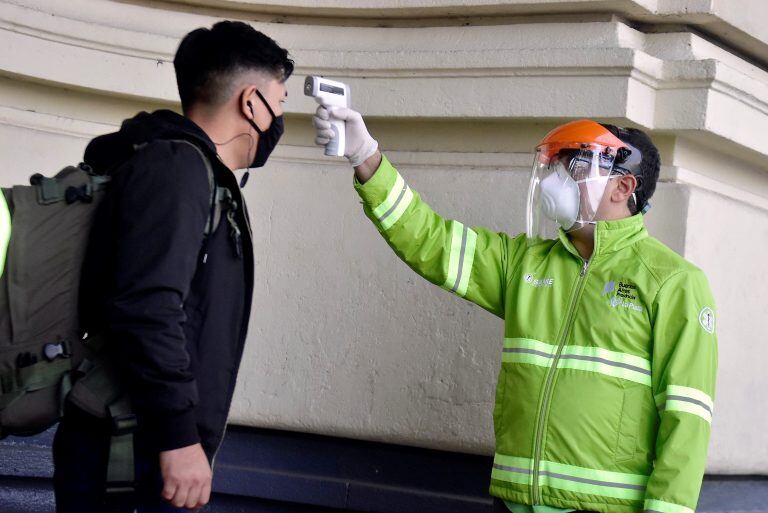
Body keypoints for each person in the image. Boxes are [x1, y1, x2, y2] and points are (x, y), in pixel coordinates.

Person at [312, 108, 717, 513]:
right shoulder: (523, 262)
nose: (557, 179)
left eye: (572, 167)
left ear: (623, 186)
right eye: (556, 165)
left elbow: (687, 421)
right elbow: (430, 241)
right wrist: (366, 156)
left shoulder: (672, 282)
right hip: (513, 504)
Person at [53, 21, 292, 512]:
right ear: (251, 103)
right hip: (131, 449)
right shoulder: (178, 168)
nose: (280, 120)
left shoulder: (185, 167)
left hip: (138, 442)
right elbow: (148, 307)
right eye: (280, 103)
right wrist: (180, 438)